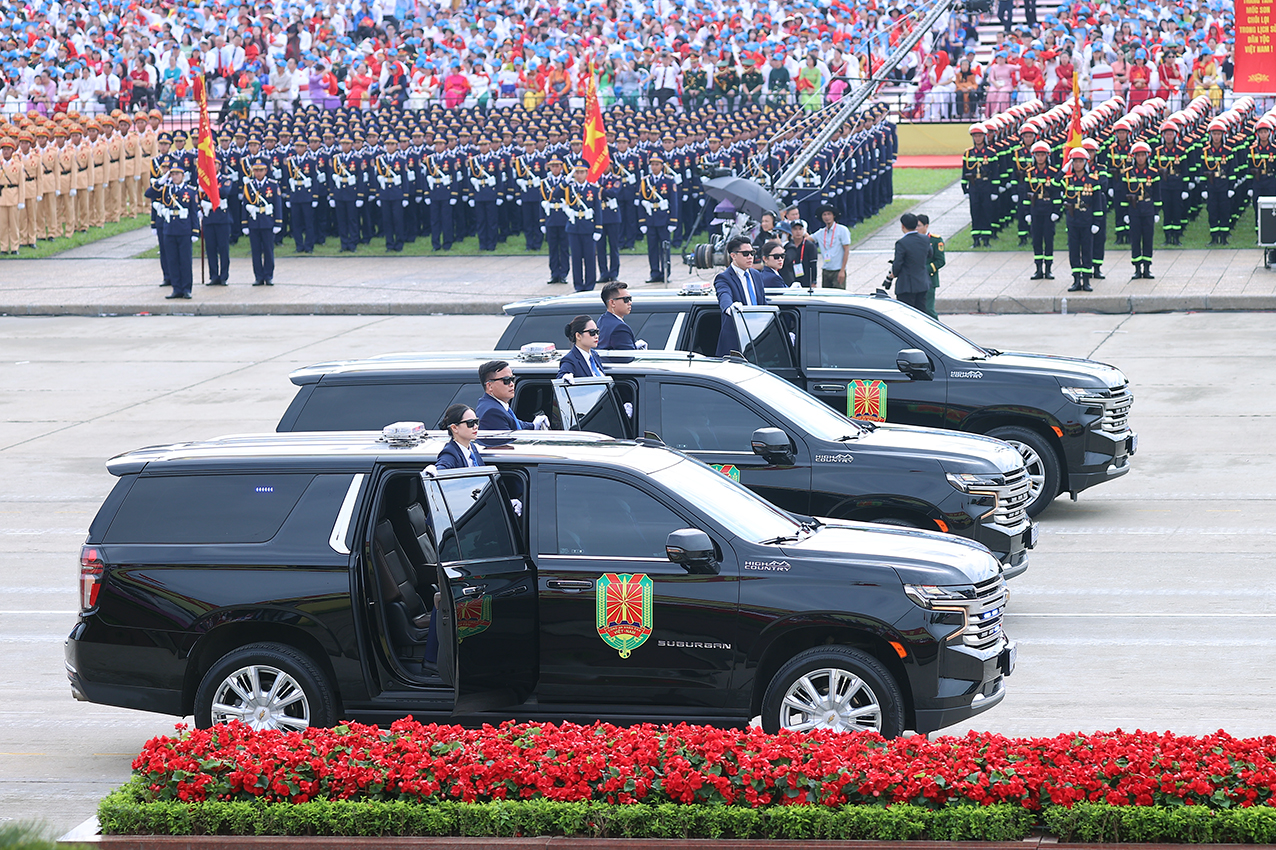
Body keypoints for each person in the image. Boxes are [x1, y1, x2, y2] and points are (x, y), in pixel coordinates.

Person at [145, 162, 201, 300]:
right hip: (169, 230)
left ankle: (186, 289)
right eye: (173, 174)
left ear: (183, 175)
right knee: (172, 260)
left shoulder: (190, 190)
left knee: (185, 261)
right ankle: (176, 288)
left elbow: (194, 213)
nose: (175, 177)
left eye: (177, 174)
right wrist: (162, 180)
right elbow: (149, 193)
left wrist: (195, 231)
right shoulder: (166, 189)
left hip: (184, 229)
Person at [713, 236, 767, 357]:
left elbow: (762, 303)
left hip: (758, 336)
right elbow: (724, 295)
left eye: (752, 253)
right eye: (746, 253)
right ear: (733, 256)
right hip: (736, 341)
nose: (750, 257)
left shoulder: (756, 275)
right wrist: (730, 307)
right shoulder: (724, 278)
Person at [1061, 148, 1104, 292]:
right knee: (1073, 251)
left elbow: (1097, 202)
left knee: (1087, 250)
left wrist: (1097, 222)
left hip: (1087, 220)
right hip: (1073, 220)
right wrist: (1063, 171)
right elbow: (1054, 185)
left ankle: (1086, 280)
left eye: (1080, 161)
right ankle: (1076, 280)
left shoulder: (1093, 181)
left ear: (1085, 163)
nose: (1078, 164)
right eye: (1075, 161)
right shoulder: (1068, 180)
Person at [241, 159, 283, 286]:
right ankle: (258, 276)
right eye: (256, 170)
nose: (258, 173)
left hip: (268, 222)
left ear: (266, 171)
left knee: (269, 250)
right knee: (256, 251)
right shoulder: (248, 186)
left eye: (261, 170)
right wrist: (244, 223)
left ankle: (268, 275)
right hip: (254, 222)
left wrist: (278, 223)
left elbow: (278, 205)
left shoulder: (273, 185)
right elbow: (244, 205)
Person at [1123, 141, 1160, 280]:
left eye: (1142, 155)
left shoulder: (1153, 173)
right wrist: (1125, 213)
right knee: (1135, 239)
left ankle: (1147, 267)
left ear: (1147, 157)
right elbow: (1123, 194)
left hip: (1148, 209)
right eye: (1138, 155)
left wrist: (1156, 211)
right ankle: (1137, 268)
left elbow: (1157, 193)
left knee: (1148, 239)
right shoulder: (1128, 174)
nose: (1140, 158)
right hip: (1134, 210)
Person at [476, 360, 546, 431]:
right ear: (490, 386)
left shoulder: (496, 405)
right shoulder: (492, 412)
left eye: (512, 379)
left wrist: (534, 425)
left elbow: (515, 423)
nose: (512, 384)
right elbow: (507, 442)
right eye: (506, 380)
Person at [1024, 140, 1059, 281]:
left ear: (1047, 156)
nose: (1040, 157)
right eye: (1037, 155)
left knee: (1048, 240)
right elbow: (1026, 194)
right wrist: (1027, 212)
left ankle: (1049, 269)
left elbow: (1057, 194)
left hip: (1048, 210)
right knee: (1036, 240)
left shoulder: (1053, 172)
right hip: (1035, 210)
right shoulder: (1030, 173)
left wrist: (1056, 211)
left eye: (1042, 155)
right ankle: (1038, 269)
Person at [887, 213, 930, 312]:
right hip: (922, 283)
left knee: (907, 314)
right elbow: (930, 254)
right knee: (921, 313)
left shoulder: (902, 243)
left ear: (903, 226)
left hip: (906, 285)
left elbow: (897, 265)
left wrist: (893, 274)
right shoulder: (925, 239)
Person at [809, 205, 851, 288]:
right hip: (826, 270)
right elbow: (807, 239)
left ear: (833, 216)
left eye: (829, 214)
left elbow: (846, 250)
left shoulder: (842, 230)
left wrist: (842, 270)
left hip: (838, 269)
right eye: (824, 215)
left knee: (838, 295)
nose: (827, 217)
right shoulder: (821, 232)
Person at [597, 282, 646, 350]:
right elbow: (628, 357)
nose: (630, 302)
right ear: (612, 303)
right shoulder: (619, 328)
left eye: (630, 299)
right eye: (626, 299)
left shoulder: (602, 320)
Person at [435, 404, 485, 469]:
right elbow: (441, 468)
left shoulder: (472, 447)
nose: (476, 427)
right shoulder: (450, 452)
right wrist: (433, 469)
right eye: (470, 423)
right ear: (454, 428)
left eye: (476, 422)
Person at [917, 214, 945, 319]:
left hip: (929, 278)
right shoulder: (914, 240)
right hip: (916, 279)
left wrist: (926, 269)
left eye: (919, 226)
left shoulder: (935, 240)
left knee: (928, 310)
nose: (916, 228)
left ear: (926, 226)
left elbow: (940, 261)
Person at [782, 219, 816, 288]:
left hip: (806, 278)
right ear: (791, 231)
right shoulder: (788, 245)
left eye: (800, 229)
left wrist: (813, 281)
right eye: (795, 229)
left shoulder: (810, 245)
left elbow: (813, 264)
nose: (798, 232)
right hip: (791, 278)